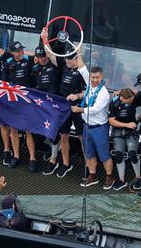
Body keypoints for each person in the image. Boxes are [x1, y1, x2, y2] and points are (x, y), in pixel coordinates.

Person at [73, 63, 116, 189]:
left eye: (97, 78)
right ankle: (93, 175)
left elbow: (95, 109)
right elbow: (82, 68)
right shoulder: (89, 85)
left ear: (102, 78)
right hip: (87, 126)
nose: (95, 80)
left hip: (99, 128)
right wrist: (79, 51)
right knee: (89, 153)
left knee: (104, 155)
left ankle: (109, 177)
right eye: (93, 77)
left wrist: (79, 110)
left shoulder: (103, 93)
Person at [42, 50, 85, 178]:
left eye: (69, 59)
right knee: (63, 135)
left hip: (77, 107)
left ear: (75, 59)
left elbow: (86, 92)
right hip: (63, 106)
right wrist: (44, 37)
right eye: (65, 59)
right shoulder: (65, 66)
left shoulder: (82, 71)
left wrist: (76, 95)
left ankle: (88, 167)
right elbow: (50, 54)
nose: (66, 61)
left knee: (82, 137)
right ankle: (65, 164)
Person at [4, 41, 36, 169]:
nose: (21, 52)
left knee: (28, 129)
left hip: (27, 98)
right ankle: (16, 155)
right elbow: (3, 82)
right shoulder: (7, 63)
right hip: (13, 99)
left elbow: (38, 56)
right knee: (13, 128)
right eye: (18, 51)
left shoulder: (28, 60)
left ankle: (32, 158)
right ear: (12, 53)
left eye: (22, 50)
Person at [29, 45, 60, 172]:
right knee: (38, 131)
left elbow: (55, 58)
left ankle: (54, 158)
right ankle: (51, 148)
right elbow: (31, 86)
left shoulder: (55, 67)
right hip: (39, 104)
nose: (41, 59)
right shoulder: (35, 68)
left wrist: (45, 39)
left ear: (46, 55)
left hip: (52, 104)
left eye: (43, 56)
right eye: (39, 57)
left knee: (53, 131)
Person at [107, 88, 137, 191]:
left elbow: (138, 92)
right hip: (118, 130)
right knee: (119, 155)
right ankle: (122, 180)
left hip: (132, 130)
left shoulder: (133, 98)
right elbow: (111, 121)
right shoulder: (114, 103)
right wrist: (126, 125)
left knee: (132, 154)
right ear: (123, 99)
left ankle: (138, 178)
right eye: (130, 100)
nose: (132, 101)